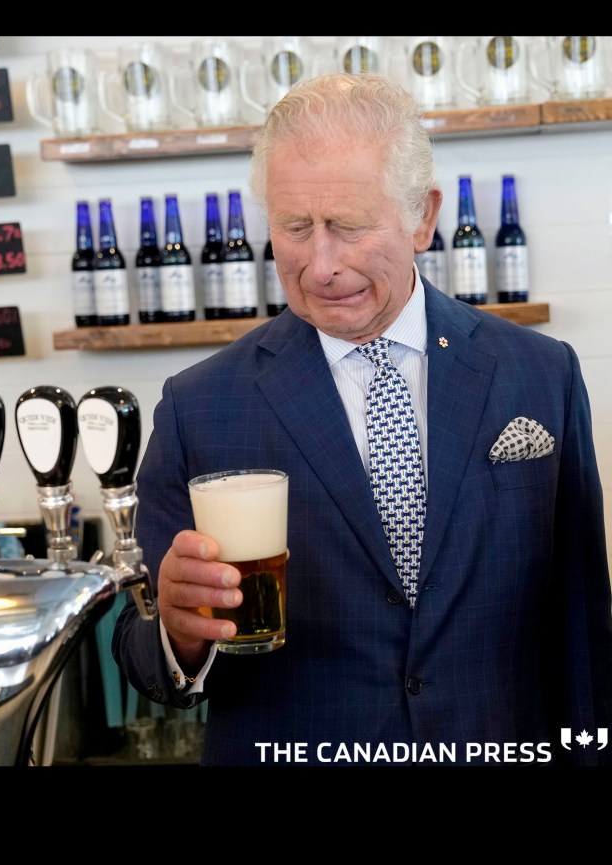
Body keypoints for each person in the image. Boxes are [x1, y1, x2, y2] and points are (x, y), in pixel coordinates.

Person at [112, 72, 612, 766]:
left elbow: (583, 632)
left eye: (347, 227)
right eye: (294, 228)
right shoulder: (201, 404)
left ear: (423, 216)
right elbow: (139, 653)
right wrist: (177, 629)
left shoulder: (539, 374)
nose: (321, 265)